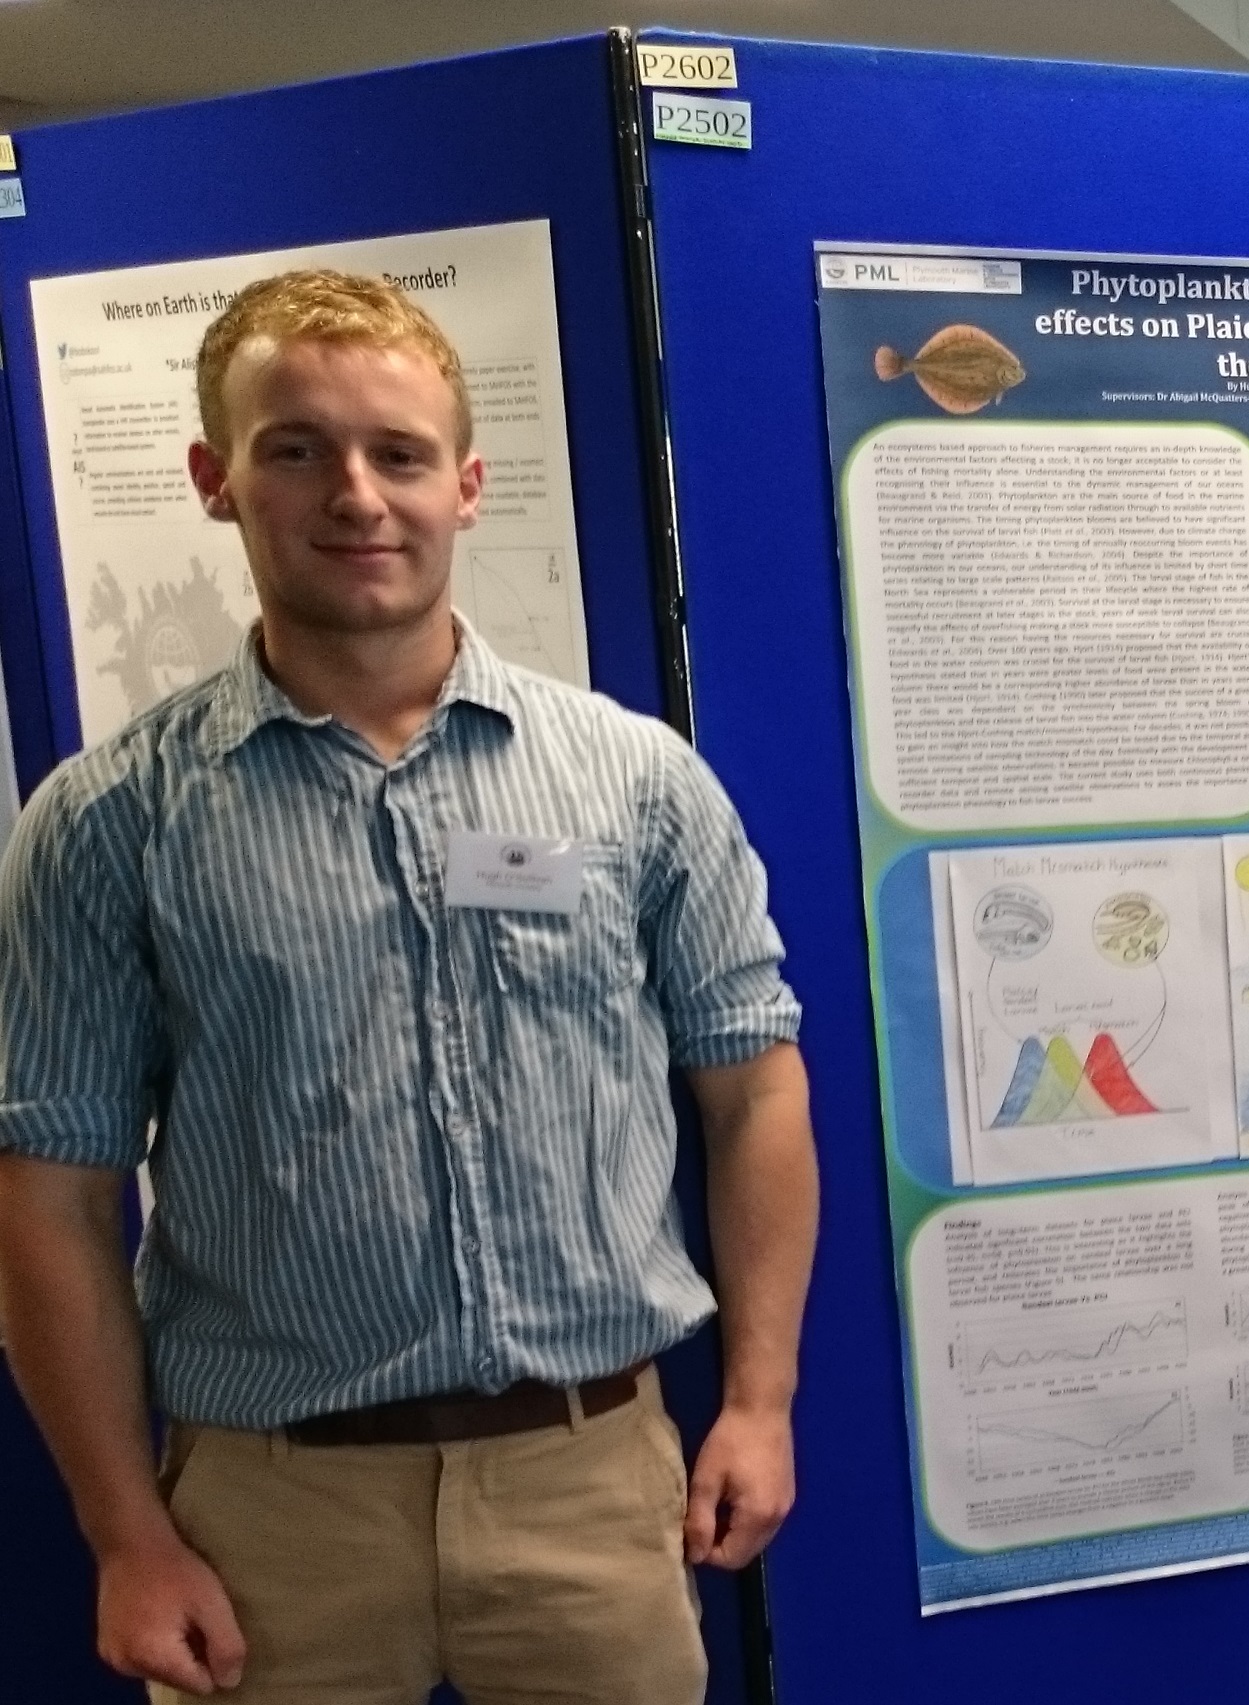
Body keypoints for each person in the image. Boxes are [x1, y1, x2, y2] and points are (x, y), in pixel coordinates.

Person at [0, 270, 818, 1705]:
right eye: (296, 448)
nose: (357, 495)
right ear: (215, 478)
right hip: (268, 1523)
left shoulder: (636, 784)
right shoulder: (108, 822)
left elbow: (752, 1091)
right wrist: (125, 1534)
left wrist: (760, 1399)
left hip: (588, 1490)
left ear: (466, 485)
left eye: (399, 453)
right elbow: (52, 1191)